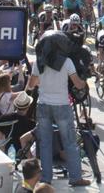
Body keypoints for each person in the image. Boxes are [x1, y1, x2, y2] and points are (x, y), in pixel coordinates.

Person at [26, 53, 90, 186]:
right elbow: (78, 85)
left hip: (43, 105)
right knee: (70, 143)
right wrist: (84, 80)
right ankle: (76, 178)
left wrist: (42, 81)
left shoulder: (39, 62)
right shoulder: (67, 61)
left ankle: (46, 179)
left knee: (45, 143)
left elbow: (31, 85)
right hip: (62, 105)